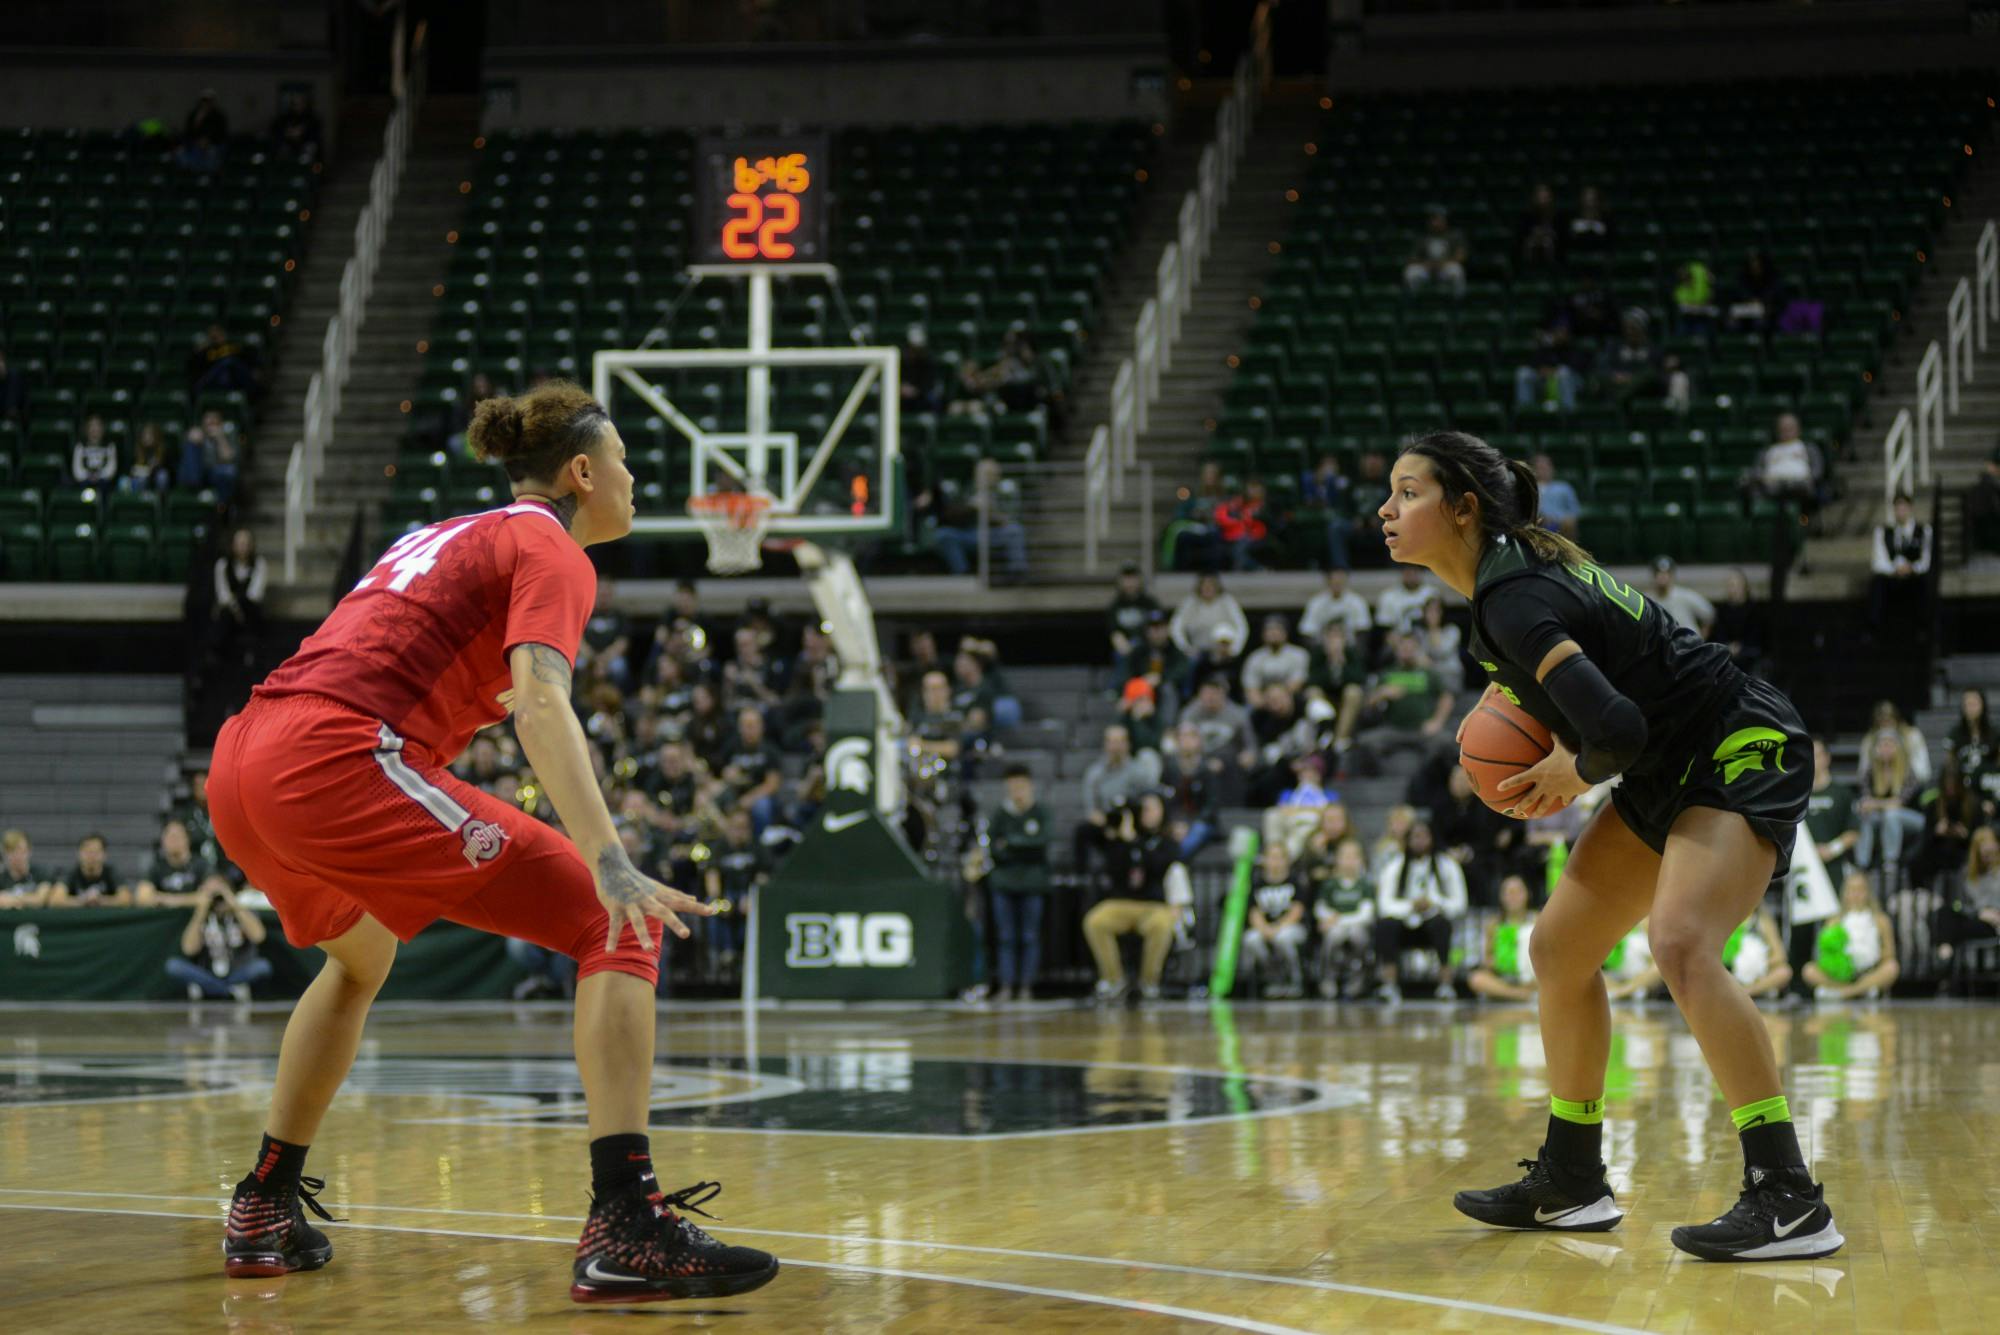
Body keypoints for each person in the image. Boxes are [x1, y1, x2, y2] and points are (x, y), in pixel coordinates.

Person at [203, 382, 775, 1300]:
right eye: (625, 463)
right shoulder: (551, 545)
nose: (633, 480)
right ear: (583, 472)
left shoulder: (442, 533)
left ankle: (265, 1199)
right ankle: (625, 1220)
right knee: (617, 918)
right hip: (337, 756)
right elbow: (542, 699)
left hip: (243, 760)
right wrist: (609, 856)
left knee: (360, 959)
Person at [1376, 429, 1840, 1261]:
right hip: (1667, 761)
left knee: (1681, 942)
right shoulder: (1500, 591)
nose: (1387, 507)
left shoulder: (1512, 596)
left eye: (1408, 491)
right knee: (1558, 948)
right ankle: (1574, 1176)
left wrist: (1571, 772)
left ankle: (1789, 1193)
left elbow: (1616, 728)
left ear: (1463, 509)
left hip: (1735, 738)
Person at [1082, 792, 1187, 1003]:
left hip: (1154, 905)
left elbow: (1158, 866)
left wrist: (1134, 842)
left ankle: (1149, 983)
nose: (1147, 813)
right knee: (1095, 921)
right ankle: (1114, 980)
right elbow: (1113, 868)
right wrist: (1117, 834)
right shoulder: (1122, 837)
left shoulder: (1167, 842)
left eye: (1152, 808)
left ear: (1162, 811)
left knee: (1161, 925)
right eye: (1143, 809)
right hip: (1122, 903)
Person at [1372, 819, 1465, 1002]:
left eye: (1424, 836)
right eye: (1414, 837)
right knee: (1385, 925)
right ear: (1406, 840)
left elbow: (1459, 903)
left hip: (1433, 923)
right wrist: (1410, 905)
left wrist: (1434, 902)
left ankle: (1445, 984)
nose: (1419, 841)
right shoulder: (1395, 866)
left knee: (1441, 925)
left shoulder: (1446, 865)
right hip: (1404, 924)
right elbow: (1384, 904)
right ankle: (1389, 984)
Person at [983, 764, 1053, 1002]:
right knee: (1006, 937)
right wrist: (1024, 845)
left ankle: (1026, 986)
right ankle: (1006, 985)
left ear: (1030, 786)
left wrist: (1011, 844)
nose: (1017, 791)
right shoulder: (999, 815)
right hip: (1003, 883)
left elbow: (1042, 844)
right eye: (1012, 787)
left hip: (1032, 883)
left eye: (1021, 786)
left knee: (1029, 936)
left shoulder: (1041, 812)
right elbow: (993, 849)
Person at [1072, 724, 1162, 881]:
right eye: (1112, 742)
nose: (1116, 747)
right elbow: (1092, 810)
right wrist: (1107, 825)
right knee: (1082, 831)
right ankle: (1081, 878)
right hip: (1106, 822)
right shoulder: (1095, 774)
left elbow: (1149, 800)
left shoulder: (1139, 772)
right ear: (1105, 744)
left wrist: (1128, 827)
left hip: (1133, 822)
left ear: (1128, 744)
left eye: (1120, 742)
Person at [166, 879, 273, 1002]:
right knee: (174, 966)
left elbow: (259, 936)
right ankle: (229, 990)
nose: (218, 901)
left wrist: (234, 904)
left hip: (238, 973)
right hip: (207, 973)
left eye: (220, 896)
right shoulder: (200, 915)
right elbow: (189, 949)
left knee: (262, 966)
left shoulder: (242, 911)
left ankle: (209, 989)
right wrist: (201, 911)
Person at [1802, 873, 1900, 1000]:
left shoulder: (1881, 920)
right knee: (1809, 971)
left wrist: (1868, 955)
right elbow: (1824, 953)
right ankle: (1860, 990)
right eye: (1852, 890)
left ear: (1868, 893)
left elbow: (1890, 953)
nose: (1856, 894)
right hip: (1840, 975)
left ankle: (1845, 993)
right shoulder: (1834, 920)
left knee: (1892, 968)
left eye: (1860, 890)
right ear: (1845, 893)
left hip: (1869, 972)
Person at [1306, 836, 1374, 998]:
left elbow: (1366, 914)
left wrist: (1338, 920)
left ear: (1361, 860)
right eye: (1345, 856)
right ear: (1337, 860)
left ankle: (1357, 978)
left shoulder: (1365, 884)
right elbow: (1320, 908)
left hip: (1355, 925)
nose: (1349, 861)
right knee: (1333, 936)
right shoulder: (1330, 884)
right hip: (1334, 927)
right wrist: (1329, 919)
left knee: (1357, 935)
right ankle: (1329, 977)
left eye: (1354, 856)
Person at [1854, 727, 1925, 878]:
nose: (1886, 748)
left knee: (1891, 813)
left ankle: (1890, 859)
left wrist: (1877, 804)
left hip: (1912, 818)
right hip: (1881, 816)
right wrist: (1877, 805)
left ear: (1897, 747)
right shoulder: (1870, 771)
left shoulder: (1908, 771)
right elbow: (1866, 802)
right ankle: (1861, 863)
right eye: (1882, 744)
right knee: (1864, 815)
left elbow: (1900, 802)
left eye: (1890, 744)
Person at [1239, 843, 1308, 997]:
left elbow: (1297, 910)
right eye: (1271, 857)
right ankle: (1273, 976)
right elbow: (1254, 912)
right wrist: (1264, 929)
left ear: (1287, 860)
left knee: (1283, 938)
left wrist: (1278, 927)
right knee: (1251, 939)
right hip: (1266, 927)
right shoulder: (1258, 884)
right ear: (1264, 860)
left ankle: (1294, 978)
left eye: (1279, 857)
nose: (1275, 862)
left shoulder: (1295, 882)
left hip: (1290, 927)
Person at [1932, 826, 2000, 974]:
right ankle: (1945, 950)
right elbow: (1959, 904)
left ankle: (1944, 960)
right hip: (1974, 919)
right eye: (1983, 847)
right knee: (1945, 910)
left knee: (1951, 926)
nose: (1988, 852)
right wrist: (1978, 913)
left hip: (1995, 924)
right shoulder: (1966, 874)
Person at [1867, 492, 1932, 634]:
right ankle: (1875, 630)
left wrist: (1911, 568)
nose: (1901, 511)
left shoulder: (1924, 531)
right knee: (1877, 583)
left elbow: (1926, 560)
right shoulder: (1883, 532)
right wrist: (1895, 569)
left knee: (1925, 583)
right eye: (1898, 508)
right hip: (1892, 577)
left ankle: (1923, 629)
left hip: (1914, 576)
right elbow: (1878, 562)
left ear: (1910, 508)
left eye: (1904, 507)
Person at [1468, 875, 1538, 1002]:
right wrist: (1497, 962)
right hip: (1503, 977)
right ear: (1501, 897)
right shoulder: (1493, 924)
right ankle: (1519, 995)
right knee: (1477, 979)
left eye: (1518, 892)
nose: (1513, 897)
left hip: (1531, 977)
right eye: (1509, 893)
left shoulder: (1537, 920)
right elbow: (1486, 959)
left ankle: (1514, 993)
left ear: (1527, 894)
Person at [1169, 571, 1248, 677]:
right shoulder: (1191, 602)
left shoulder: (1227, 601)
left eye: (1211, 585)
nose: (1208, 588)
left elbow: (1242, 627)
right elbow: (1175, 627)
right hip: (1197, 652)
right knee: (1188, 669)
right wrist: (1185, 648)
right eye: (1204, 585)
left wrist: (1234, 650)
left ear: (1217, 587)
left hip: (1221, 651)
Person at [212, 528, 269, 664]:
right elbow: (223, 594)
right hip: (230, 610)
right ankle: (218, 657)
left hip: (250, 609)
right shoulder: (222, 565)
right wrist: (236, 609)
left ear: (251, 545)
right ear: (232, 545)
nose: (242, 547)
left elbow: (255, 593)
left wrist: (239, 606)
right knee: (225, 616)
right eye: (239, 543)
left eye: (246, 543)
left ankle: (251, 655)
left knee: (251, 613)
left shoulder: (259, 564)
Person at [136, 818, 225, 906]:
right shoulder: (157, 867)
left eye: (177, 836)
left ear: (187, 839)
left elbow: (211, 893)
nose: (173, 841)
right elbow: (142, 897)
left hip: (196, 916)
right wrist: (194, 899)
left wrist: (162, 898)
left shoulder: (200, 864)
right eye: (170, 836)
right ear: (162, 841)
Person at [1722, 907, 1795, 1000]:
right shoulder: (1724, 918)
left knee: (1784, 972)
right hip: (1729, 971)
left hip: (1758, 974)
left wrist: (1757, 964)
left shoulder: (1763, 921)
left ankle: (1746, 992)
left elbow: (1780, 955)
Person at [1711, 570, 1765, 677]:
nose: (1734, 589)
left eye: (1737, 585)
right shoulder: (1722, 610)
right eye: (1731, 586)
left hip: (1750, 652)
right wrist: (1728, 646)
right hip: (1727, 651)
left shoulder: (1755, 609)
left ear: (1745, 587)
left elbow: (1757, 635)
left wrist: (1741, 646)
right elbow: (1719, 634)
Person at [1404, 207, 1468, 297]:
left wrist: (1443, 263)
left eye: (1439, 220)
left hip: (1445, 268)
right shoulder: (1422, 237)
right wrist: (1426, 264)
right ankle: (1414, 301)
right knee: (1411, 272)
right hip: (1426, 269)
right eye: (1433, 220)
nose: (1436, 223)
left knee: (1457, 270)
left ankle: (1458, 301)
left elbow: (1461, 256)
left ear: (1445, 222)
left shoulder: (1454, 235)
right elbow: (1412, 257)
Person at [1241, 614, 1309, 696]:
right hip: (1263, 700)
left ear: (1285, 633)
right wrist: (1263, 702)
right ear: (1263, 634)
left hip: (1292, 699)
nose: (1273, 633)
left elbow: (1297, 682)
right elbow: (1250, 687)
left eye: (1278, 629)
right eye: (1270, 630)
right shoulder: (1255, 657)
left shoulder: (1299, 654)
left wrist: (1277, 698)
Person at [52, 833, 128, 906]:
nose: (92, 856)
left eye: (96, 851)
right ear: (79, 853)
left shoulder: (111, 872)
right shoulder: (72, 873)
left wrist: (101, 900)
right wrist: (83, 900)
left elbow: (125, 899)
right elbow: (56, 900)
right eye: (87, 851)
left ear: (104, 854)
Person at [1299, 567, 1372, 643]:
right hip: (1322, 647)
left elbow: (1363, 629)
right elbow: (1307, 630)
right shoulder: (1316, 602)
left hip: (1349, 647)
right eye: (1335, 582)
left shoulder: (1357, 601)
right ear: (1328, 582)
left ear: (1346, 581)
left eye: (1340, 582)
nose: (1337, 584)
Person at [1105, 562, 1159, 663]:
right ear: (1120, 581)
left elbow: (1158, 626)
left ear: (1139, 579)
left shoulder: (1150, 603)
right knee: (1121, 655)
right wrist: (1124, 646)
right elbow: (1114, 632)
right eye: (1126, 578)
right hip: (1126, 646)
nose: (1130, 582)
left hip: (1147, 645)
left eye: (1133, 578)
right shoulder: (1115, 605)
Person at [1648, 558, 1714, 638]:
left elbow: (1709, 613)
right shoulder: (1649, 600)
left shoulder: (1684, 595)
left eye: (1666, 573)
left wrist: (1701, 639)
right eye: (1659, 573)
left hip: (1689, 645)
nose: (1662, 576)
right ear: (1654, 576)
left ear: (1671, 575)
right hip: (1665, 647)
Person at [0, 829, 57, 907]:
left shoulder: (41, 873)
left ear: (29, 851)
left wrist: (11, 898)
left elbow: (40, 899)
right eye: (12, 851)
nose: (18, 856)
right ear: (5, 853)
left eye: (21, 851)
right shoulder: (2, 878)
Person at [1532, 454, 1581, 540]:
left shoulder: (1564, 487)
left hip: (1561, 525)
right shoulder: (1531, 488)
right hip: (1539, 525)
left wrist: (1563, 520)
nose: (1544, 470)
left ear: (1552, 469)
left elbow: (1574, 510)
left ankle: (1566, 552)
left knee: (1569, 524)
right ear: (1534, 470)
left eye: (1547, 467)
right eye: (1540, 467)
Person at [71, 414, 119, 486]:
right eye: (91, 427)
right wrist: (89, 476)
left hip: (104, 483)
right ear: (86, 430)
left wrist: (98, 475)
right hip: (84, 483)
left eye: (97, 427)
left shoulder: (109, 446)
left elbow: (111, 470)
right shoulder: (80, 447)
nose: (94, 430)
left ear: (103, 430)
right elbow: (77, 472)